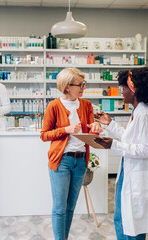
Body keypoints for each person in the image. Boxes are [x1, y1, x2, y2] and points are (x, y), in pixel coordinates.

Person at [94, 67, 148, 239]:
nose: (121, 91)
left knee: (132, 224)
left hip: (138, 176)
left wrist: (114, 145)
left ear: (135, 90)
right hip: (129, 172)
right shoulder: (137, 111)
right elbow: (130, 139)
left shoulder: (144, 115)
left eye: (124, 88)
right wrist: (109, 124)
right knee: (122, 218)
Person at [40, 68, 102, 240]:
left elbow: (91, 132)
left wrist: (96, 128)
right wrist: (65, 130)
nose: (83, 87)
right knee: (60, 208)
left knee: (70, 206)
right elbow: (44, 135)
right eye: (80, 84)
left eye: (84, 83)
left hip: (81, 161)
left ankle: (64, 237)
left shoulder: (86, 105)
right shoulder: (54, 106)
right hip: (61, 161)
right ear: (67, 87)